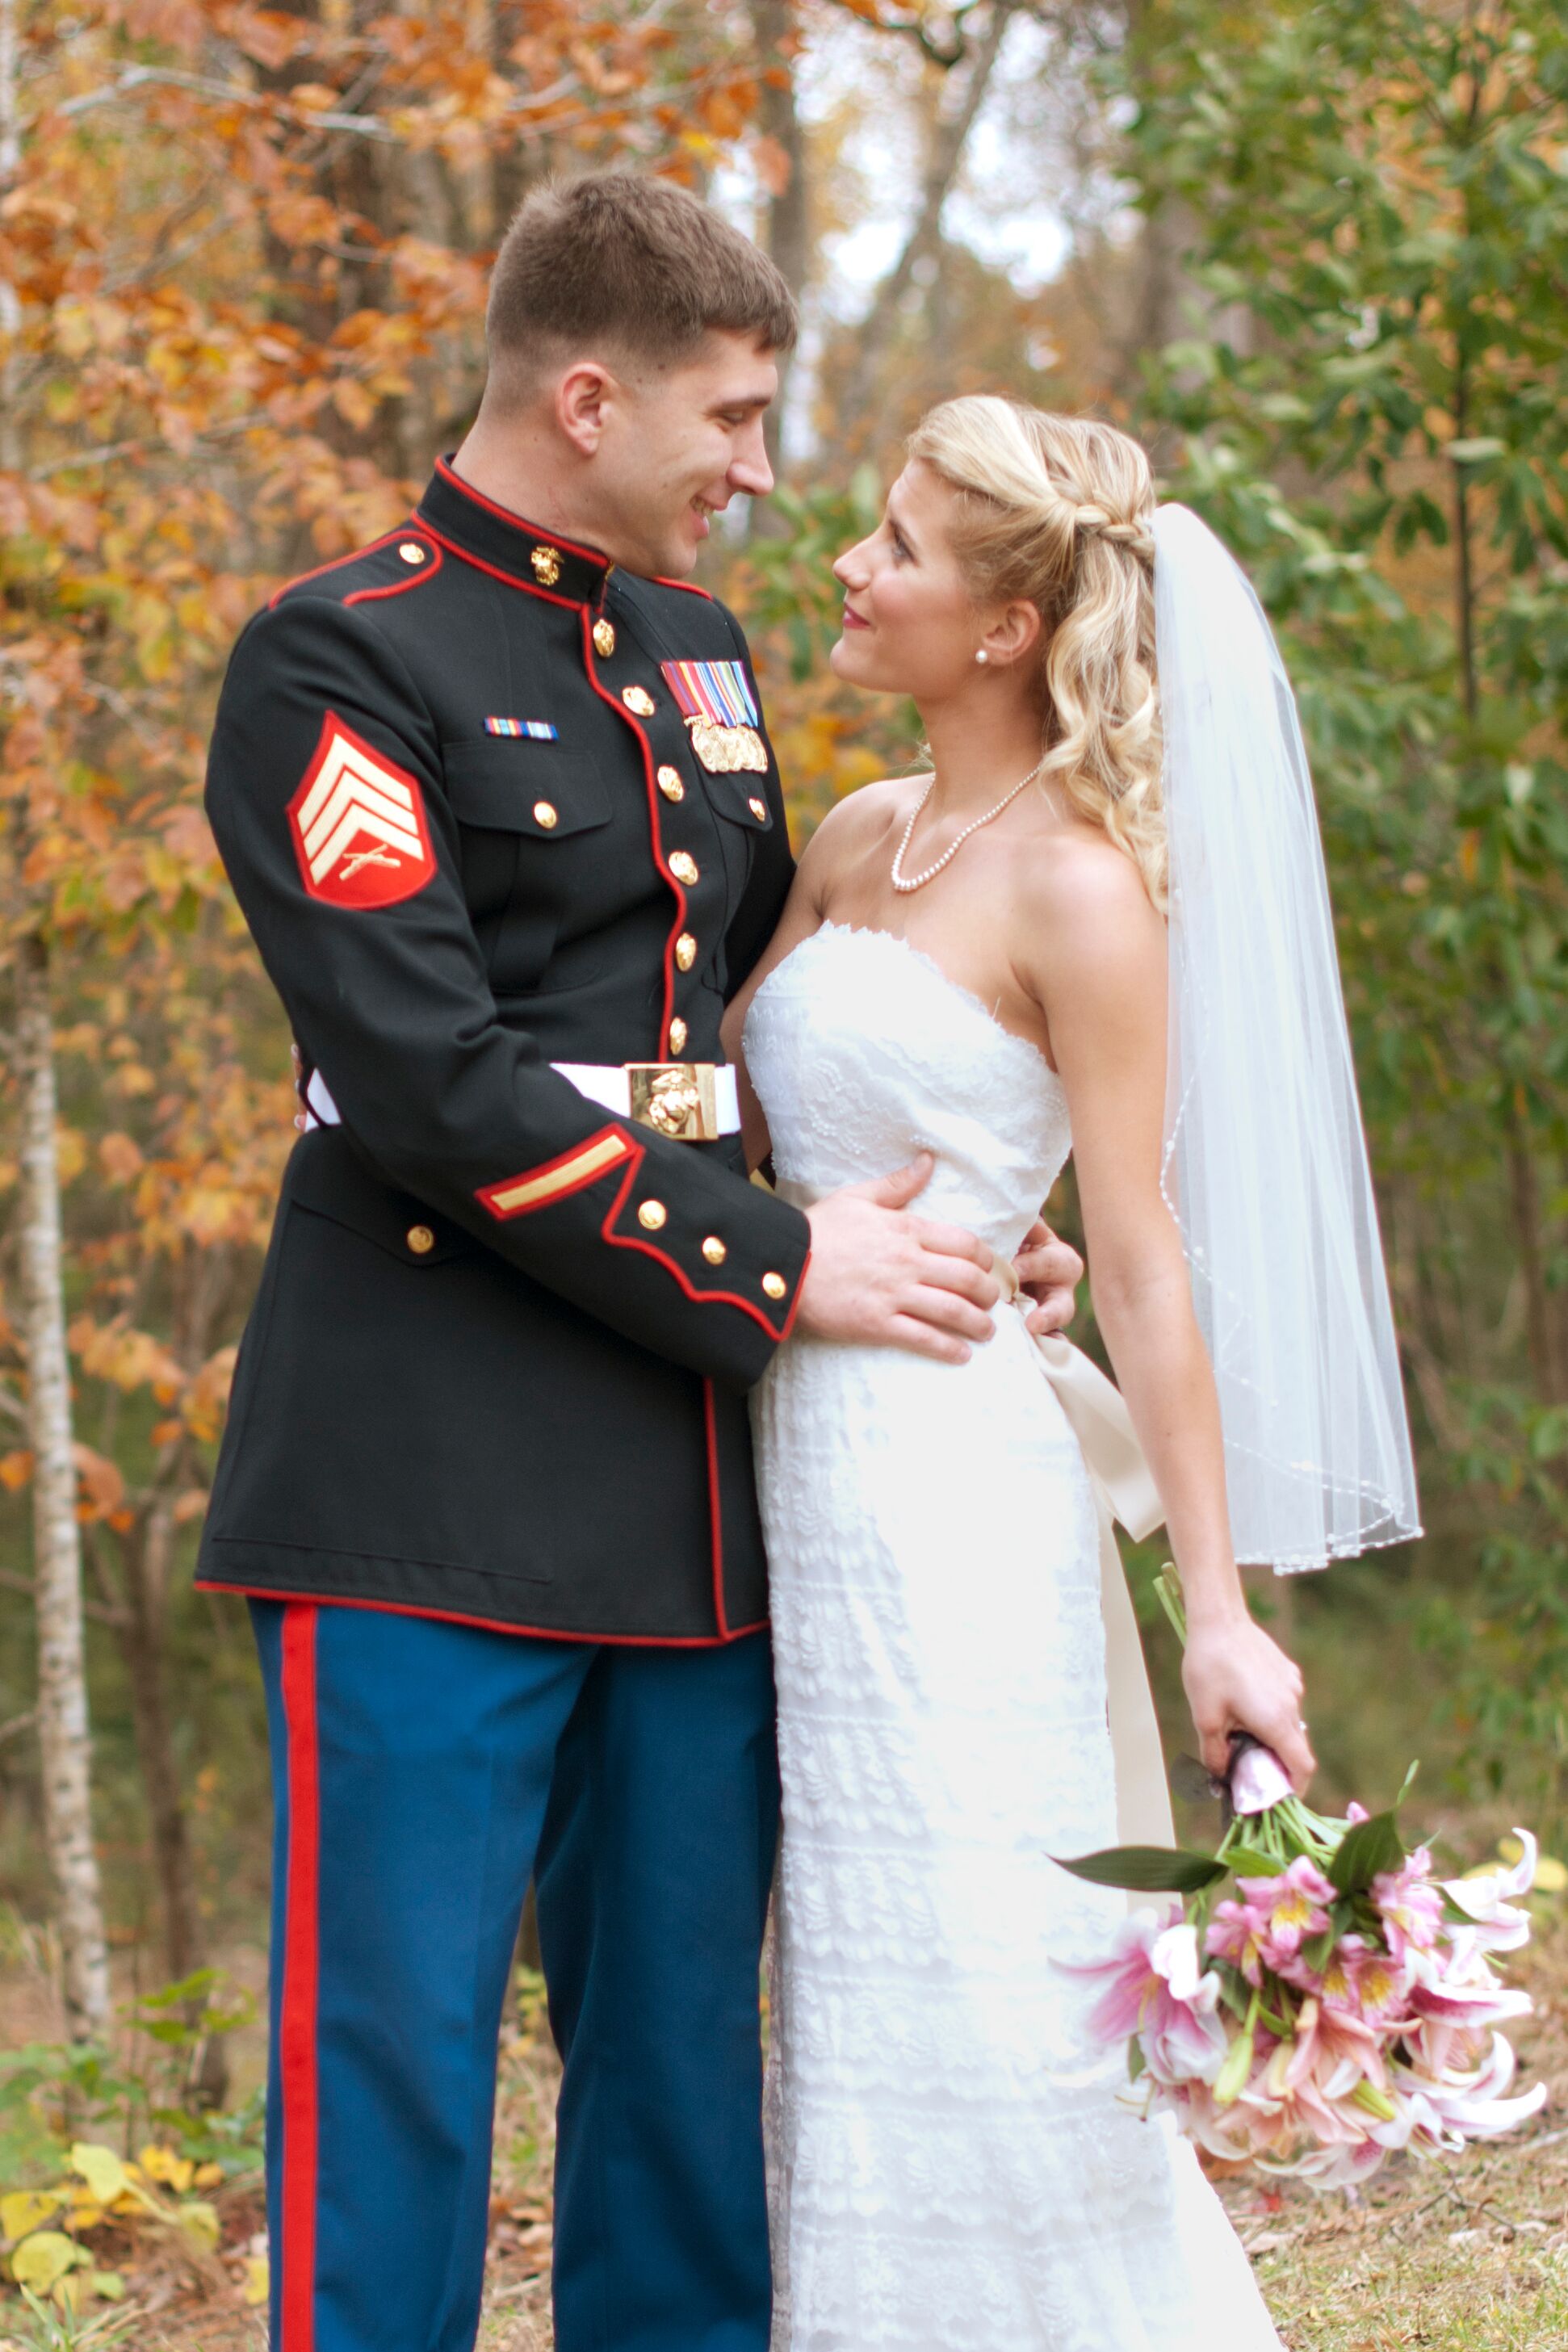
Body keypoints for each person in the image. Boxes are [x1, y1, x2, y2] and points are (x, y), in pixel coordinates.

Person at [199, 176, 1081, 2352]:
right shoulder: (339, 654)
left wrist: (960, 1203)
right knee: (393, 2076)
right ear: (585, 396)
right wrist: (779, 1264)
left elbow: (754, 1017)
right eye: (735, 417)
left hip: (692, 1497)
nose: (759, 475)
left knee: (683, 2074)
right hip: (413, 1474)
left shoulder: (693, 653)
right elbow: (428, 1074)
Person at [724, 399, 1420, 2347]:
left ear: (1009, 622)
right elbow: (735, 1127)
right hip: (787, 1455)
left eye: (897, 546)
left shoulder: (1083, 890)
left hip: (958, 1492)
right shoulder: (856, 833)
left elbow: (1136, 1253)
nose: (850, 568)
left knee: (990, 1958)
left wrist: (1217, 1615)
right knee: (848, 1964)